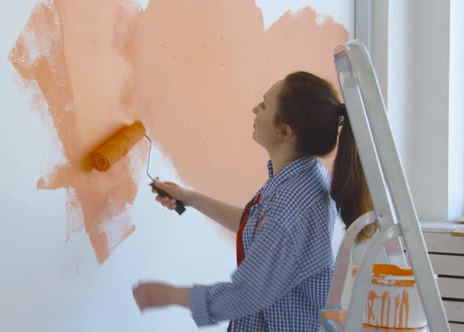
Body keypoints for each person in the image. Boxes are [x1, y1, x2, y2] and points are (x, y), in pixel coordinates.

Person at [132, 71, 376, 331]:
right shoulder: (303, 177)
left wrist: (169, 296)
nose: (254, 109)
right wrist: (190, 198)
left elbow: (246, 295)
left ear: (284, 132)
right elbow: (261, 226)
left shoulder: (290, 206)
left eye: (263, 105)